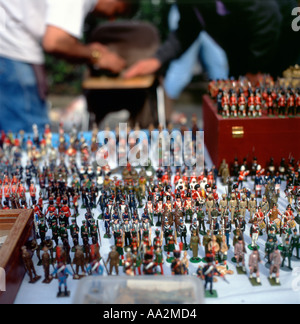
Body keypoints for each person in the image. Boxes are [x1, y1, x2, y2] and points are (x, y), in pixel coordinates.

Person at [0, 0, 132, 133]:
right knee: (28, 137)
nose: (111, 19)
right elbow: (55, 42)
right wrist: (97, 56)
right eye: (116, 11)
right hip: (10, 52)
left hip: (9, 50)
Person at [124, 0, 300, 82]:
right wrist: (157, 59)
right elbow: (186, 31)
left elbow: (268, 15)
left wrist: (255, 69)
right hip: (246, 53)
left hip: (282, 42)